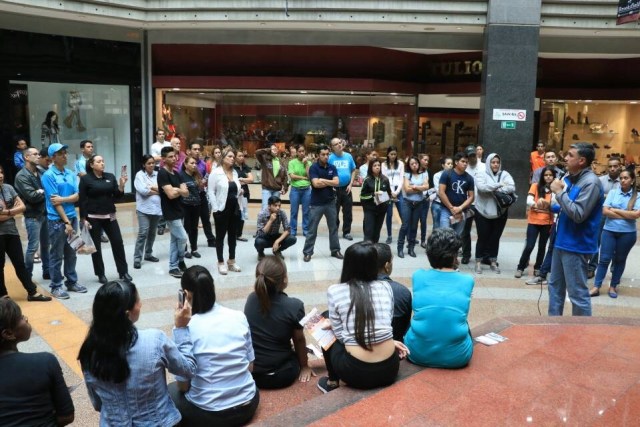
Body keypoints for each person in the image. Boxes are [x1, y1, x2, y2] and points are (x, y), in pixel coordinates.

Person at [78, 281, 197, 426]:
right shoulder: (154, 340)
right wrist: (181, 329)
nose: (140, 304)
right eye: (137, 301)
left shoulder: (88, 352)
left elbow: (97, 403)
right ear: (127, 314)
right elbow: (189, 370)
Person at [169, 266, 259, 426]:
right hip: (249, 403)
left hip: (209, 415)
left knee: (170, 391)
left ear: (186, 295)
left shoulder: (184, 329)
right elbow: (250, 367)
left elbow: (183, 386)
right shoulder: (238, 316)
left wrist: (180, 328)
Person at [317, 242, 408, 393]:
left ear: (347, 264)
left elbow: (340, 337)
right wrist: (388, 340)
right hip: (390, 369)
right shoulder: (386, 287)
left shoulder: (335, 291)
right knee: (333, 322)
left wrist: (333, 325)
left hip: (356, 373)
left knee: (324, 321)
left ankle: (332, 382)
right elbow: (385, 321)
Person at [404, 228, 474, 368]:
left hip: (416, 353)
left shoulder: (418, 276)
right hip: (458, 357)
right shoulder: (467, 280)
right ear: (455, 256)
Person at [548, 142, 603, 316]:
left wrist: (559, 192)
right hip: (562, 241)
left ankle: (582, 334)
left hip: (576, 245)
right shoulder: (573, 178)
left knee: (577, 294)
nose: (565, 158)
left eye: (570, 155)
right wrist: (549, 206)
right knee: (555, 288)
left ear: (582, 160)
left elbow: (579, 214)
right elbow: (568, 207)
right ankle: (553, 328)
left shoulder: (591, 183)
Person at [0, 297, 73, 425]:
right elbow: (66, 416)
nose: (26, 319)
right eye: (21, 317)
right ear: (8, 334)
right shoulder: (45, 362)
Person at [244, 256, 313, 389]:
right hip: (282, 375)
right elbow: (299, 340)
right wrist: (304, 366)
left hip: (254, 374)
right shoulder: (295, 306)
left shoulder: (251, 299)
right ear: (285, 279)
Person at [42, 143, 87, 299]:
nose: (65, 155)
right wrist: (66, 222)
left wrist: (64, 199)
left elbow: (77, 196)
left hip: (72, 217)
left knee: (72, 252)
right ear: (53, 157)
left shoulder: (69, 173)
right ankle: (56, 286)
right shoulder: (48, 175)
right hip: (57, 221)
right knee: (56, 254)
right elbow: (55, 202)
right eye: (61, 153)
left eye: (65, 153)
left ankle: (71, 281)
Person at [0, 167, 50, 301]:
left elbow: (23, 207)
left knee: (19, 263)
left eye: (1, 172)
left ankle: (32, 292)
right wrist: (12, 211)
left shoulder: (8, 188)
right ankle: (3, 296)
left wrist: (7, 212)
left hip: (12, 232)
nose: (0, 175)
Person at [589, 168, 640, 299]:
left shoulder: (637, 196)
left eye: (626, 178)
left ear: (632, 180)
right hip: (609, 231)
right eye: (621, 178)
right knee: (604, 259)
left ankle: (613, 286)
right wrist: (626, 214)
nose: (623, 180)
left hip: (627, 234)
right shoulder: (613, 192)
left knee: (619, 260)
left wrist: (615, 210)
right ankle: (596, 286)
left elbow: (636, 215)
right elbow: (605, 211)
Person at [79, 155, 130, 284]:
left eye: (103, 161)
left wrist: (121, 186)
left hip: (110, 216)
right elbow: (82, 200)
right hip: (93, 217)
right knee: (96, 247)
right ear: (91, 165)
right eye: (98, 161)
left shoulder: (110, 176)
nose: (102, 163)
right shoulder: (86, 179)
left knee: (118, 242)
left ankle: (123, 272)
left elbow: (117, 196)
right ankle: (100, 274)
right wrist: (83, 218)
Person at [473, 153, 516, 274]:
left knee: (495, 238)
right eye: (493, 162)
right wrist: (499, 185)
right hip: (483, 212)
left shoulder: (505, 174)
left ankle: (493, 261)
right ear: (488, 163)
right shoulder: (481, 174)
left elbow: (511, 187)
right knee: (482, 237)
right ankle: (478, 262)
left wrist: (493, 188)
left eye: (497, 162)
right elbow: (482, 188)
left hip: (500, 212)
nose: (496, 164)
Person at [14, 147, 50, 282]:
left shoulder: (41, 171)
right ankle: (27, 276)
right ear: (26, 157)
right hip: (32, 216)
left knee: (46, 245)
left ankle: (47, 271)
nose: (38, 156)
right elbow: (32, 196)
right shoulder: (21, 176)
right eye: (35, 154)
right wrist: (43, 192)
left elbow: (50, 188)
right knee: (33, 247)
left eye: (38, 154)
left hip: (44, 213)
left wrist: (41, 191)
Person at [302, 145, 342, 262]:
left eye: (327, 154)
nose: (325, 156)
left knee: (333, 228)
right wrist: (330, 182)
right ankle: (308, 252)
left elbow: (337, 182)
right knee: (312, 229)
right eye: (323, 154)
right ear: (318, 155)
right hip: (316, 204)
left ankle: (335, 250)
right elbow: (315, 184)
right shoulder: (314, 168)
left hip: (330, 203)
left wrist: (323, 180)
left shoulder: (332, 167)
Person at [515, 166, 556, 278]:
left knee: (542, 247)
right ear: (542, 176)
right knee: (529, 246)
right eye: (546, 175)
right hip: (534, 221)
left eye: (550, 175)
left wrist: (546, 206)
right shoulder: (535, 186)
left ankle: (538, 267)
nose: (548, 177)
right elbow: (529, 200)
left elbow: (554, 205)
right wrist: (537, 204)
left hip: (547, 223)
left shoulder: (555, 190)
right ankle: (520, 267)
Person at [208, 148, 242, 275]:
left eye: (233, 157)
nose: (232, 158)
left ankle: (231, 261)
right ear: (223, 158)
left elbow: (235, 188)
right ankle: (220, 262)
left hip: (235, 208)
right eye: (230, 156)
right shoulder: (216, 173)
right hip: (222, 209)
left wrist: (239, 191)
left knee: (233, 236)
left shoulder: (235, 173)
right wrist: (215, 208)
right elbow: (211, 191)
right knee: (220, 237)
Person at [588, 156, 623, 277]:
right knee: (595, 241)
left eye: (615, 166)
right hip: (600, 215)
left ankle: (614, 270)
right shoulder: (600, 180)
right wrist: (611, 198)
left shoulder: (624, 181)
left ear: (620, 167)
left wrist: (606, 197)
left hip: (617, 216)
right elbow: (595, 197)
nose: (612, 169)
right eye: (610, 166)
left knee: (615, 244)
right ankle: (591, 267)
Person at [158, 146, 189, 278]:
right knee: (182, 238)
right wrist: (179, 191)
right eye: (170, 157)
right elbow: (170, 195)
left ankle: (173, 266)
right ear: (163, 159)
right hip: (170, 212)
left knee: (175, 240)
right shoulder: (162, 173)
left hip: (180, 209)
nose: (174, 158)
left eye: (175, 156)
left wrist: (177, 190)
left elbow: (186, 193)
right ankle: (180, 260)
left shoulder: (177, 174)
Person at [374, 243, 412, 342]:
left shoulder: (355, 288)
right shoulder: (402, 292)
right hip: (395, 347)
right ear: (387, 265)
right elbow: (405, 327)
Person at [133, 154, 161, 269]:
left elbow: (163, 188)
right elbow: (143, 190)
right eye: (148, 163)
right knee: (143, 233)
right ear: (144, 165)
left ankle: (148, 254)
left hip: (156, 208)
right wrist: (157, 190)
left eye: (153, 163)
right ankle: (137, 258)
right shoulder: (139, 175)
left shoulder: (158, 175)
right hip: (143, 209)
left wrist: (153, 188)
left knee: (152, 233)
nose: (151, 165)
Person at [397, 156, 429, 258]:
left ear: (418, 164)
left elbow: (427, 187)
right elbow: (407, 189)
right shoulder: (406, 175)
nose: (414, 165)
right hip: (407, 202)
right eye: (411, 164)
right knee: (405, 225)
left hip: (419, 203)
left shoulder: (424, 174)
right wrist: (420, 188)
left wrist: (414, 187)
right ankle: (400, 248)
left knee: (414, 226)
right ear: (409, 165)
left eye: (415, 163)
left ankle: (411, 248)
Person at [187, 140, 216, 248]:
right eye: (195, 149)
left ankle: (211, 239)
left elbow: (206, 178)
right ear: (189, 151)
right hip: (189, 196)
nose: (197, 151)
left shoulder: (203, 164)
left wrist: (204, 182)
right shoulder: (185, 163)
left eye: (199, 149)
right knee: (191, 222)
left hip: (201, 193)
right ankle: (192, 243)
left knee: (205, 218)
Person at [438, 152, 475, 235]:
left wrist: (460, 208)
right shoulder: (447, 174)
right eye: (463, 161)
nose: (465, 164)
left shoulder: (469, 178)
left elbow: (471, 197)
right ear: (456, 162)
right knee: (445, 236)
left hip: (461, 212)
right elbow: (441, 192)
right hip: (446, 210)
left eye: (466, 162)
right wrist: (451, 208)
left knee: (457, 238)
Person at [460, 145, 485, 264]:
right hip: (467, 204)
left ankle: (482, 255)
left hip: (481, 204)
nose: (472, 158)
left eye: (473, 155)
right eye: (469, 156)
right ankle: (466, 254)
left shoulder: (484, 167)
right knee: (465, 231)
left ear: (477, 154)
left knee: (482, 232)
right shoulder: (463, 168)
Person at [329, 138, 356, 240]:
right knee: (334, 212)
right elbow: (327, 173)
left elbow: (353, 170)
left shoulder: (348, 156)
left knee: (348, 212)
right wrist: (330, 185)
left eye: (340, 142)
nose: (339, 145)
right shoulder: (330, 158)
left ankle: (346, 232)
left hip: (346, 188)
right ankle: (334, 232)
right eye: (336, 144)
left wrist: (351, 184)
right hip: (334, 189)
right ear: (332, 147)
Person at [360, 159, 391, 243]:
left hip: (381, 210)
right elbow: (362, 196)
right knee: (368, 232)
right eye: (375, 165)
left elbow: (389, 195)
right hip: (369, 210)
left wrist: (386, 201)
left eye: (378, 165)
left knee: (377, 233)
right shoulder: (367, 180)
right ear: (371, 167)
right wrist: (374, 194)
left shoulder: (385, 179)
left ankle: (374, 251)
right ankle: (367, 251)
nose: (377, 167)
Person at [180, 155, 203, 259]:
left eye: (195, 163)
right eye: (191, 163)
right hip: (185, 205)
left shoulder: (196, 175)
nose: (194, 165)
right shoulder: (181, 176)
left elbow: (200, 190)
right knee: (185, 228)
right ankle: (184, 250)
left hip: (196, 205)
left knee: (194, 228)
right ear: (185, 164)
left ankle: (194, 249)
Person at [287, 144, 312, 238]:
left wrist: (306, 164)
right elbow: (292, 176)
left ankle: (305, 230)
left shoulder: (308, 163)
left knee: (306, 211)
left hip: (306, 190)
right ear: (297, 152)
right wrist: (303, 177)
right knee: (294, 211)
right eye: (300, 151)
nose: (302, 153)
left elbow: (309, 177)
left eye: (303, 151)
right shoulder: (292, 162)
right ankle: (293, 230)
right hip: (295, 190)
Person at [381, 146, 404, 244]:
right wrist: (391, 192)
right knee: (389, 214)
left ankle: (406, 234)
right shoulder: (384, 164)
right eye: (391, 154)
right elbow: (384, 179)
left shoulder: (401, 164)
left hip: (398, 191)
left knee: (403, 213)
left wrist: (396, 192)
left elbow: (402, 178)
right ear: (388, 154)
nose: (393, 156)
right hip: (387, 191)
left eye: (395, 154)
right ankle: (389, 235)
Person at [256, 144, 288, 210]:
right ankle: (265, 220)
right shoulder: (264, 159)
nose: (274, 151)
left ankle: (274, 220)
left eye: (276, 149)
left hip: (277, 189)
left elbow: (285, 176)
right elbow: (257, 152)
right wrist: (268, 150)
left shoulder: (280, 161)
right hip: (267, 188)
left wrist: (285, 187)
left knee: (275, 209)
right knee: (265, 209)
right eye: (273, 149)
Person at [429, 156, 453, 232]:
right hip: (438, 203)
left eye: (451, 164)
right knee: (437, 226)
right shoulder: (437, 175)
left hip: (450, 204)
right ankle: (435, 243)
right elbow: (439, 191)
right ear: (443, 165)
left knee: (448, 227)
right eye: (448, 163)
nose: (450, 165)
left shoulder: (454, 175)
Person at [234, 149, 253, 241]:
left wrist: (241, 179)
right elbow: (233, 180)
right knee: (235, 213)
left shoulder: (245, 167)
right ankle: (233, 233)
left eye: (242, 156)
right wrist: (243, 180)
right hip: (235, 193)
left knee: (242, 213)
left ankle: (239, 234)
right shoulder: (232, 167)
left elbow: (251, 179)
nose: (241, 157)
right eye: (239, 156)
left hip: (245, 193)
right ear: (235, 157)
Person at [417, 153, 431, 248]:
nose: (426, 162)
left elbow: (429, 186)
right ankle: (411, 239)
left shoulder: (427, 172)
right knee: (412, 221)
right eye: (425, 160)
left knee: (423, 220)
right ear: (420, 160)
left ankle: (423, 240)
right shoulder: (414, 171)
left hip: (425, 199)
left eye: (427, 160)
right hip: (415, 198)